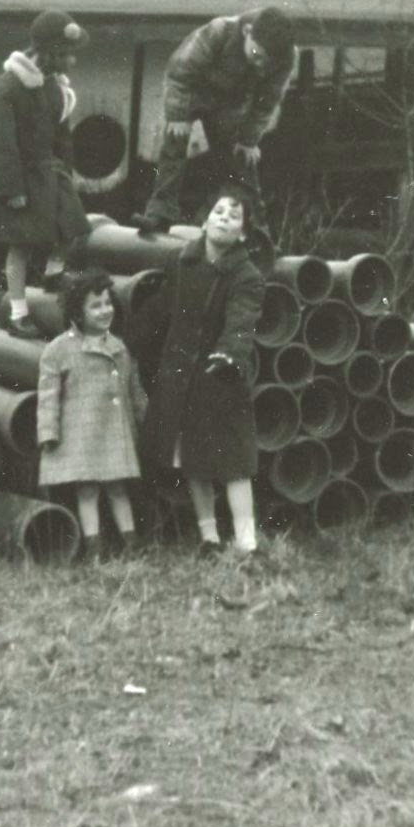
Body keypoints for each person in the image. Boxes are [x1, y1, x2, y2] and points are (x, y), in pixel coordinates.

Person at [136, 182, 264, 556]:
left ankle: (247, 544)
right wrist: (130, 338)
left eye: (234, 216)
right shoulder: (182, 262)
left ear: (242, 232)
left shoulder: (247, 275)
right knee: (190, 460)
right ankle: (208, 537)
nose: (225, 219)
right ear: (205, 221)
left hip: (219, 378)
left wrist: (229, 354)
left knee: (234, 464)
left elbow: (242, 319)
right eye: (219, 212)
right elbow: (161, 310)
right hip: (179, 377)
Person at [0, 10, 95, 340]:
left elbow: (62, 136)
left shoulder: (56, 88)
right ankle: (18, 312)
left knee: (74, 227)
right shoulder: (10, 87)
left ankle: (53, 275)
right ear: (49, 52)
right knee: (21, 246)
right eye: (66, 54)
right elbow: (0, 142)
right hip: (20, 177)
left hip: (48, 173)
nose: (72, 61)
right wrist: (11, 189)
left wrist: (66, 174)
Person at [134, 6, 297, 235]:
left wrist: (249, 140)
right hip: (192, 92)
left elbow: (266, 103)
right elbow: (179, 72)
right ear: (247, 32)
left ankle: (257, 228)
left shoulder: (287, 57)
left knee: (241, 160)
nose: (260, 65)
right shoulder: (219, 31)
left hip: (230, 104)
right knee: (174, 147)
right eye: (257, 55)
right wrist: (178, 116)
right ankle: (159, 214)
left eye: (266, 63)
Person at [36, 269, 148, 557]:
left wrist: (143, 420)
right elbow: (48, 395)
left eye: (108, 303)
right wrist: (48, 431)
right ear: (77, 312)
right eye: (95, 306)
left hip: (114, 432)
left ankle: (131, 543)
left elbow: (133, 389)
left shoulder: (119, 347)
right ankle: (94, 547)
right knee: (86, 491)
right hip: (81, 434)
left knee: (118, 488)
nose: (104, 310)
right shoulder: (58, 350)